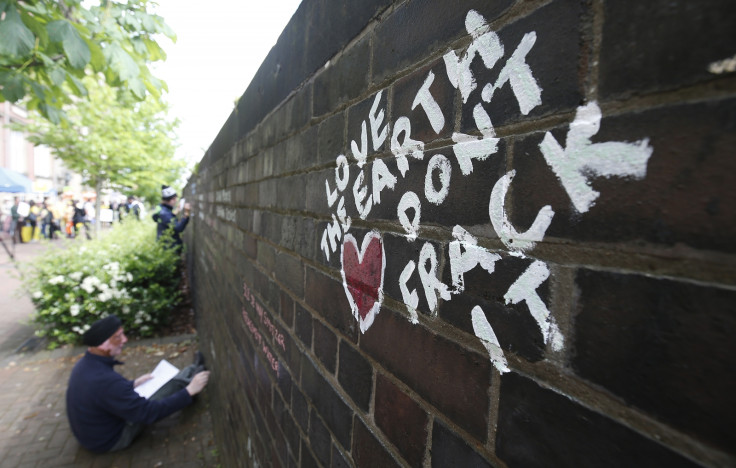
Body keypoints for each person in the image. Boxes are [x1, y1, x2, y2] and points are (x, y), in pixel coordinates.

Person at [66, 315, 210, 453]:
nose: (125, 339)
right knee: (157, 396)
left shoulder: (85, 364)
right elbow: (148, 413)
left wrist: (132, 384)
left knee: (150, 386)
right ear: (103, 344)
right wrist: (189, 391)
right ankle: (190, 382)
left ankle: (190, 372)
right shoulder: (106, 381)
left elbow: (103, 395)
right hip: (111, 440)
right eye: (118, 337)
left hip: (92, 436)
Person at [152, 185, 190, 252]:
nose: (176, 201)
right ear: (171, 200)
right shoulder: (165, 213)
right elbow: (178, 228)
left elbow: (167, 221)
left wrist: (176, 212)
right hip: (169, 247)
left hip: (166, 244)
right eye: (175, 199)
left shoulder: (163, 209)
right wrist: (186, 214)